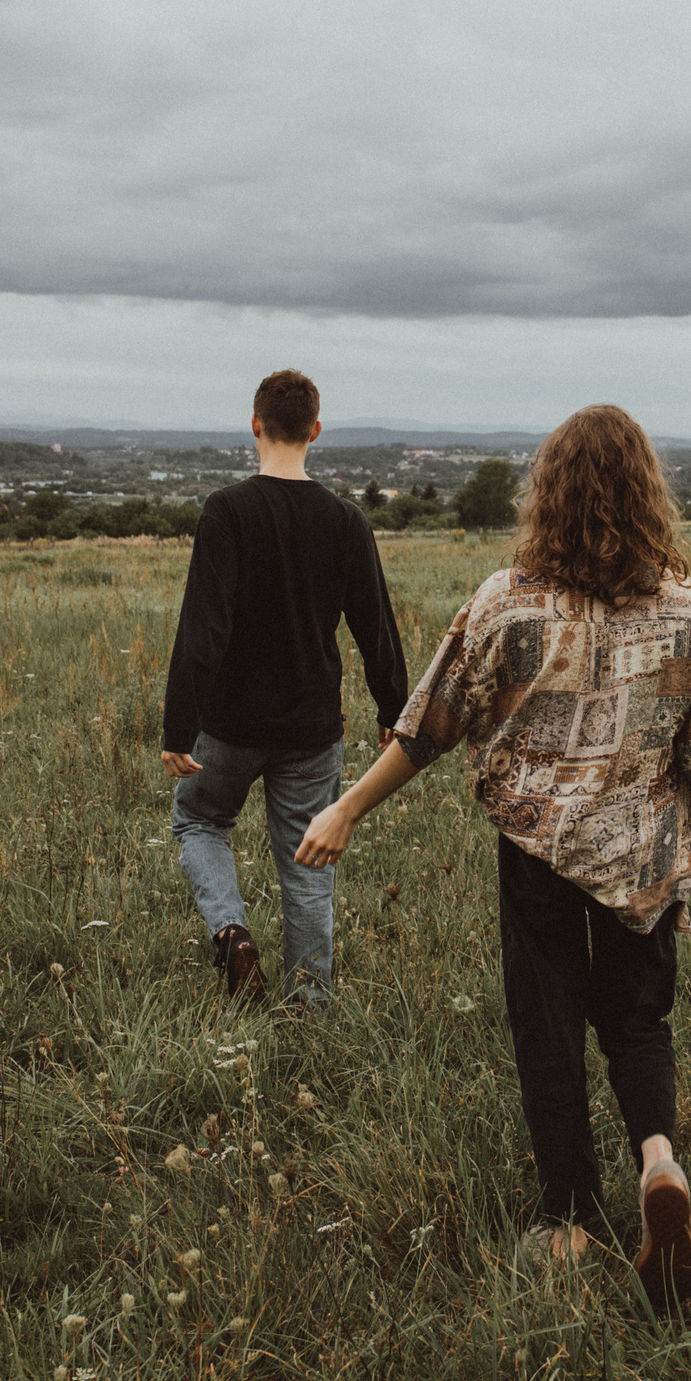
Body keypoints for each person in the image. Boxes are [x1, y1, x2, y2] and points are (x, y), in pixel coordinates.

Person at [296, 404, 691, 1312]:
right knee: (638, 1021)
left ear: (550, 492)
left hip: (540, 852)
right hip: (647, 859)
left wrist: (346, 804)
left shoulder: (509, 602)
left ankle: (573, 1219)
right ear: (646, 493)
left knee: (548, 1025)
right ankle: (658, 1159)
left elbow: (429, 724)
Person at [161, 369, 410, 1006]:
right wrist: (394, 709)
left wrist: (178, 726)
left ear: (255, 426)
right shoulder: (345, 520)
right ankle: (308, 1003)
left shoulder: (227, 511)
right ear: (315, 432)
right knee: (308, 864)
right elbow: (375, 623)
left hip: (229, 722)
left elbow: (203, 625)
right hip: (311, 727)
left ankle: (232, 933)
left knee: (199, 820)